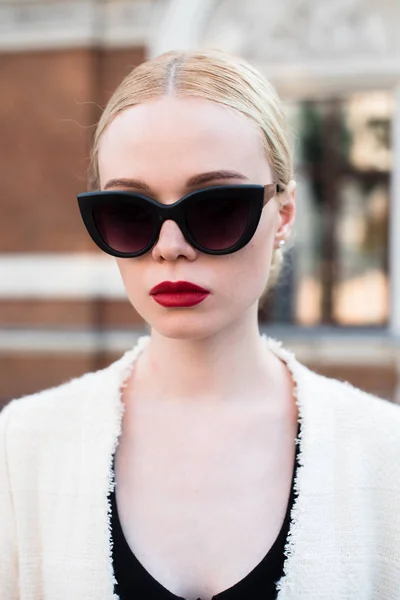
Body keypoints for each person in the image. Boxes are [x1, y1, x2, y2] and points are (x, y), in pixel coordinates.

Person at [1, 50, 400, 600]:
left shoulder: (384, 453)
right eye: (129, 212)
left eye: (216, 207)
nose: (170, 248)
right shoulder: (24, 446)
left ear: (283, 215)